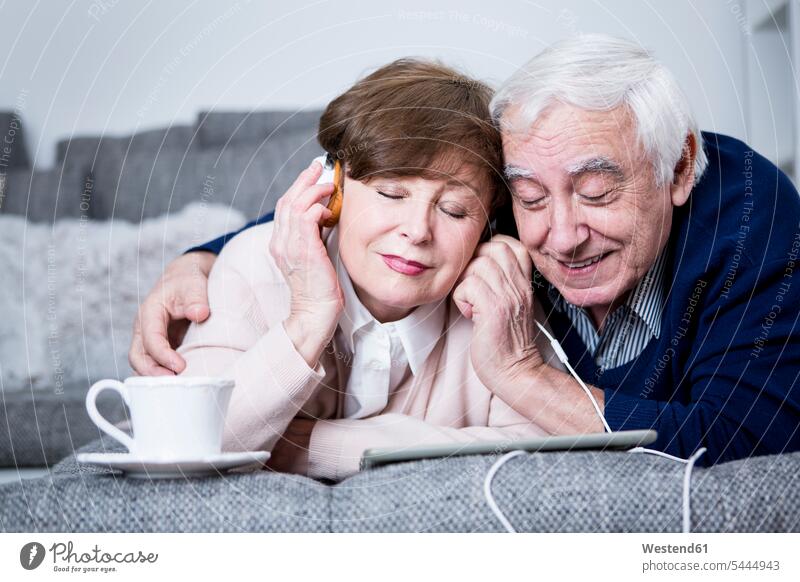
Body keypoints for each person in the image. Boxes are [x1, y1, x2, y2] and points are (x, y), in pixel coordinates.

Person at [131, 36, 800, 468]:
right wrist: (204, 256)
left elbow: (748, 445)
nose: (562, 236)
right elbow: (383, 225)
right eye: (530, 200)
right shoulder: (500, 200)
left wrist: (524, 377)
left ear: (677, 170)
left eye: (598, 193)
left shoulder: (747, 213)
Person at [169, 58, 559, 480]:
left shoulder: (500, 293)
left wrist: (301, 445)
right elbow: (187, 439)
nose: (417, 231)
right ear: (333, 190)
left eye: (454, 209)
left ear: (487, 227)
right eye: (391, 193)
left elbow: (542, 450)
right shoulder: (251, 266)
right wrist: (307, 318)